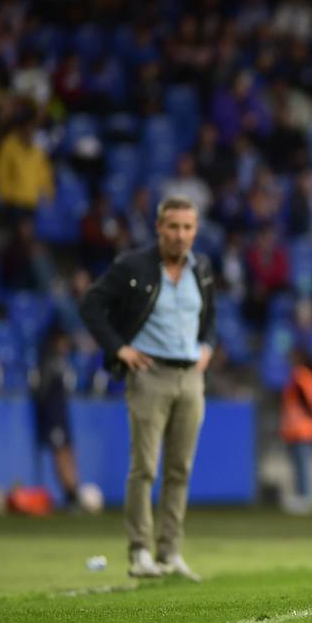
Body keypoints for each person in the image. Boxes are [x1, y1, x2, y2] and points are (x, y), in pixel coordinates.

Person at [79, 195, 216, 580]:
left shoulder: (202, 268)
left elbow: (210, 316)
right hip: (149, 374)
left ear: (195, 231)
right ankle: (140, 551)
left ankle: (170, 552)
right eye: (173, 226)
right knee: (144, 467)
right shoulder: (132, 265)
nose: (180, 235)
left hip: (191, 377)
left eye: (187, 227)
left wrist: (207, 346)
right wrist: (118, 348)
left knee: (180, 468)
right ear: (159, 228)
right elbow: (90, 304)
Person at [31, 327, 102, 512]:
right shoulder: (48, 361)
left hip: (62, 416)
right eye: (63, 341)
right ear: (56, 341)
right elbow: (41, 392)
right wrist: (47, 417)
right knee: (61, 453)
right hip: (54, 417)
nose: (66, 345)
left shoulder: (60, 361)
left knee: (68, 452)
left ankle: (73, 491)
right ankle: (70, 494)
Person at [280, 347, 312, 514]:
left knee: (302, 466)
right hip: (297, 429)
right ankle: (302, 496)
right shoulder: (301, 376)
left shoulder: (301, 377)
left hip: (302, 429)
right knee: (299, 466)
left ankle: (305, 497)